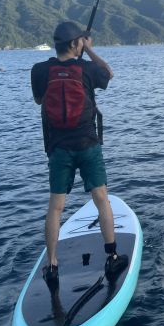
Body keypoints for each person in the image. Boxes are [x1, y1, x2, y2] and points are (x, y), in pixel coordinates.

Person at [30, 21, 128, 285]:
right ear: (76, 44)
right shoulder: (86, 68)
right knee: (101, 199)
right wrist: (90, 51)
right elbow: (108, 73)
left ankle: (51, 264)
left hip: (58, 148)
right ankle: (112, 256)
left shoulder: (40, 70)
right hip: (88, 145)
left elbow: (40, 100)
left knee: (55, 207)